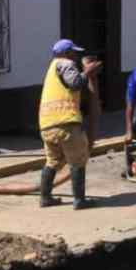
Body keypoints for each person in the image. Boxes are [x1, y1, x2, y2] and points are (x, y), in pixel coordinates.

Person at [38, 39, 102, 210]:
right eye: (73, 52)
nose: (76, 56)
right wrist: (87, 72)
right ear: (66, 53)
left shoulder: (52, 68)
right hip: (66, 122)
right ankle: (79, 200)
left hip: (47, 125)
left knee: (52, 161)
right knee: (78, 160)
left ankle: (45, 198)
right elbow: (75, 83)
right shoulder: (66, 64)